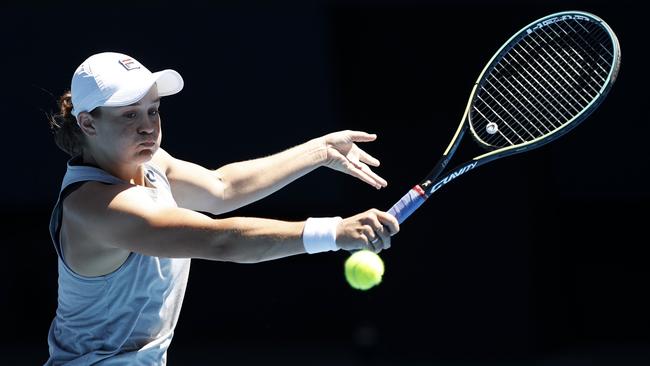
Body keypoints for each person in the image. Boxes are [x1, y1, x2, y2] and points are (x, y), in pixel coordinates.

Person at [45, 52, 399, 365]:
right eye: (129, 115)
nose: (148, 127)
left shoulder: (152, 165)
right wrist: (333, 232)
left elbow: (222, 187)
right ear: (88, 123)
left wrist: (319, 151)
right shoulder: (93, 207)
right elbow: (219, 241)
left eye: (153, 110)